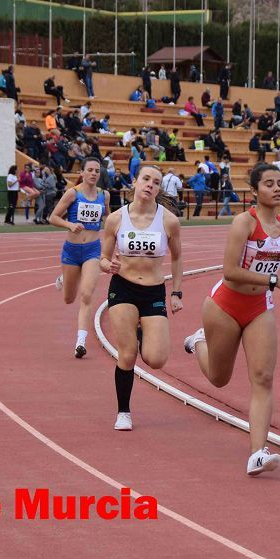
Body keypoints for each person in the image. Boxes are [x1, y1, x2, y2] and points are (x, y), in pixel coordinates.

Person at [183, 164, 280, 476]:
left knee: (263, 377)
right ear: (254, 191)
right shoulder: (243, 223)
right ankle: (198, 341)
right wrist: (277, 280)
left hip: (259, 306)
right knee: (219, 378)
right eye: (269, 184)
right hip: (224, 305)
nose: (277, 189)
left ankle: (257, 454)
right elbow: (230, 272)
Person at [98, 166, 183, 430]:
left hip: (153, 291)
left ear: (159, 189)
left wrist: (176, 292)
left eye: (156, 182)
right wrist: (106, 265)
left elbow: (178, 257)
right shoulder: (115, 219)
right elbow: (103, 257)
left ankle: (141, 331)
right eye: (145, 179)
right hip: (123, 288)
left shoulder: (169, 221)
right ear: (134, 181)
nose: (150, 185)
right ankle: (123, 412)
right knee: (127, 354)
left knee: (156, 359)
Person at [49, 159, 110, 358]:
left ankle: (80, 342)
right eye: (89, 170)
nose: (93, 173)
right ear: (82, 172)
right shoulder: (73, 193)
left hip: (93, 250)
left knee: (86, 296)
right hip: (72, 250)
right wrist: (69, 225)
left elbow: (109, 220)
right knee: (69, 298)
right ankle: (64, 279)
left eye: (96, 171)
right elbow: (53, 217)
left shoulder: (104, 195)